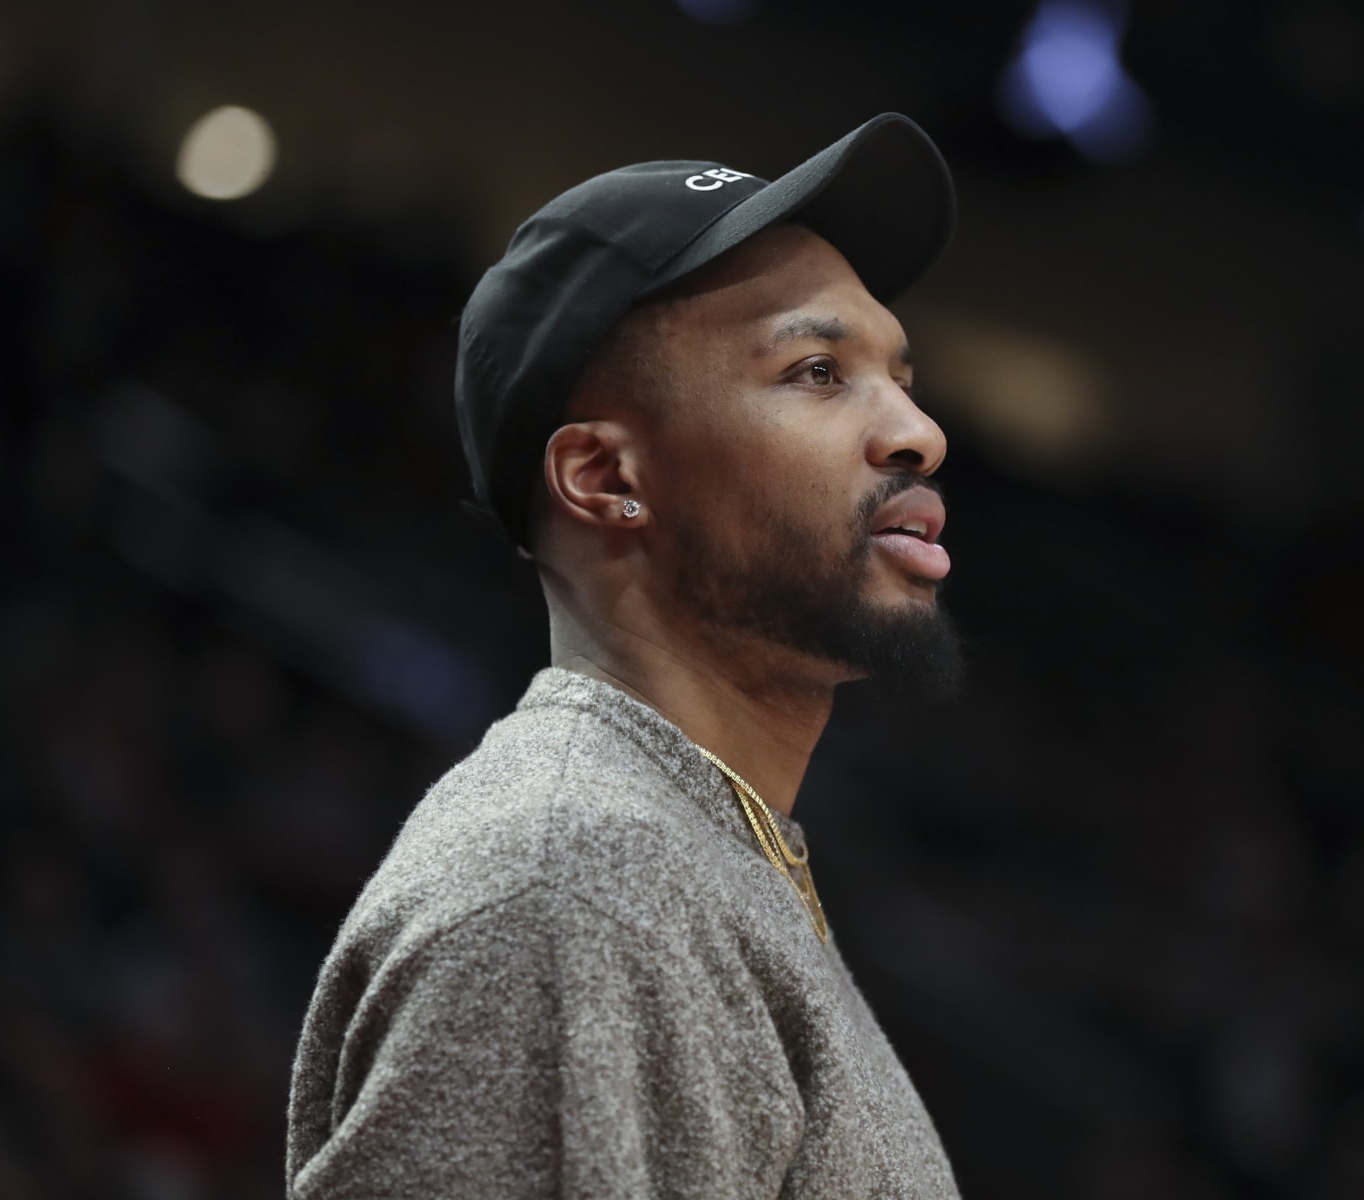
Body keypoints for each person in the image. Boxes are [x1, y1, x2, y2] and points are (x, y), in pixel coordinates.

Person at [284, 114, 965, 1196]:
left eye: (899, 371)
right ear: (604, 480)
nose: (918, 431)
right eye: (819, 369)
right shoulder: (577, 884)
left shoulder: (677, 855)